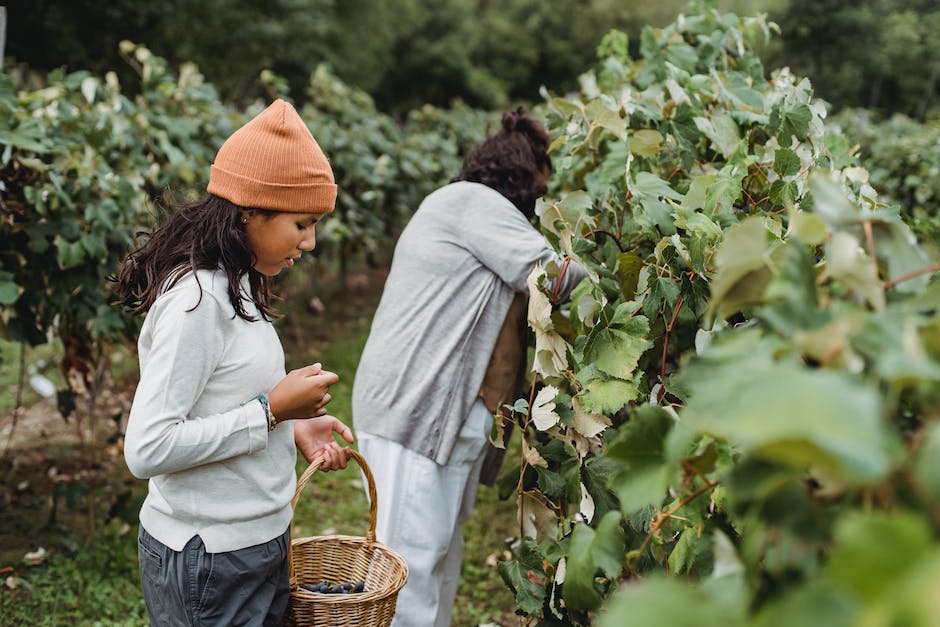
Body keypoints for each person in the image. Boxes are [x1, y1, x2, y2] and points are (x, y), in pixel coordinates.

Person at [116, 99, 354, 626]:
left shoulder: (238, 284)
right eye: (301, 223)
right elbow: (148, 447)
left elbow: (223, 397)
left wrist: (293, 425)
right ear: (250, 210)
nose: (310, 243)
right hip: (209, 559)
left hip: (256, 543)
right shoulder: (196, 303)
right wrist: (270, 411)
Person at [352, 108, 587, 627]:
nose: (540, 202)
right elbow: (554, 277)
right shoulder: (472, 204)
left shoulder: (464, 207)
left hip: (441, 411)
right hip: (415, 408)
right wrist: (617, 283)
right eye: (539, 189)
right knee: (407, 570)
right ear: (519, 179)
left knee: (436, 557)